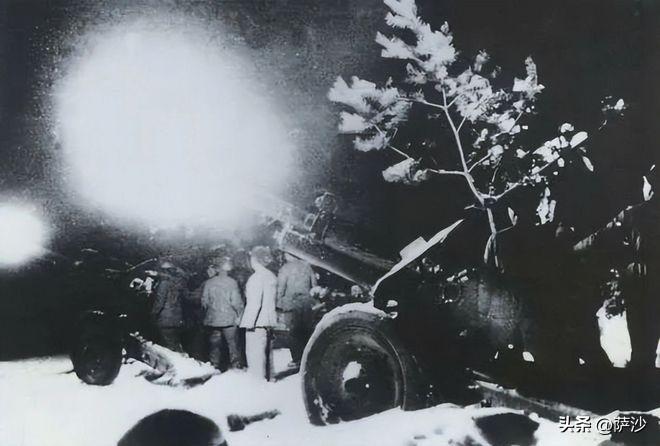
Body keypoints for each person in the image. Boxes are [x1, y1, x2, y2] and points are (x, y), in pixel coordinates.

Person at [240, 246, 277, 380]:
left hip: (256, 323)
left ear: (254, 259)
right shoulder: (271, 275)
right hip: (268, 321)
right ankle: (270, 380)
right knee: (268, 355)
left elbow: (255, 303)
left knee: (255, 356)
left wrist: (248, 323)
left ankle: (258, 382)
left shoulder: (256, 278)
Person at [201, 257, 245, 370]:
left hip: (213, 319)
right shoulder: (232, 282)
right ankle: (236, 367)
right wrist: (240, 314)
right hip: (229, 319)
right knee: (233, 344)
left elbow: (204, 302)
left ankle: (214, 366)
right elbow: (236, 302)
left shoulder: (209, 282)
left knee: (215, 345)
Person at [276, 253, 317, 365]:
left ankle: (297, 359)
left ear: (288, 255)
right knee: (307, 331)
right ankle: (308, 359)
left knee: (293, 333)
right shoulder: (307, 266)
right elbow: (314, 285)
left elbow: (281, 288)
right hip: (306, 303)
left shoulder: (285, 268)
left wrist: (278, 304)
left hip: (291, 304)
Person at [151, 261, 185, 352]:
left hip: (165, 318)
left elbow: (160, 301)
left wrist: (153, 313)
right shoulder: (177, 283)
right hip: (177, 317)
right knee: (175, 342)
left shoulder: (164, 284)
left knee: (168, 346)